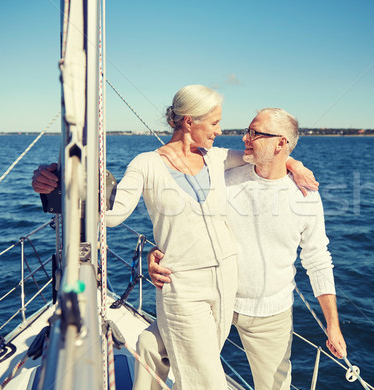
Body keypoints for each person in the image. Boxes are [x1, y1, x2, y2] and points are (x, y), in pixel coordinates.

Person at [31, 86, 317, 389]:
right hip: (181, 286)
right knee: (206, 381)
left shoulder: (217, 159)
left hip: (225, 284)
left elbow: (264, 156)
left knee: (190, 369)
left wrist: (296, 165)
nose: (220, 131)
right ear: (190, 121)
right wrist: (56, 185)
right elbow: (112, 216)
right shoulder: (146, 164)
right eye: (215, 122)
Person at [148, 108, 346, 390]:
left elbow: (318, 260)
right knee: (162, 356)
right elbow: (181, 220)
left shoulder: (305, 197)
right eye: (247, 131)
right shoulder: (223, 180)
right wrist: (156, 252)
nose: (245, 138)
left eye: (255, 133)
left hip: (271, 314)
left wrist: (332, 325)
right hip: (213, 301)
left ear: (281, 144)